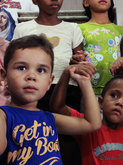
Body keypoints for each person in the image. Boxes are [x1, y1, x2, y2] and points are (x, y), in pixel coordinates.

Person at [0, 35, 101, 165]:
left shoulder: (50, 119)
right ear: (4, 76)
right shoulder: (4, 117)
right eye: (22, 68)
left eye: (41, 70)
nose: (31, 76)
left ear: (49, 82)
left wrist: (84, 81)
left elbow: (92, 123)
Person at [12, 1, 85, 163]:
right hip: (32, 92)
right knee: (32, 142)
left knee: (67, 144)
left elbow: (81, 61)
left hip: (67, 92)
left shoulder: (73, 28)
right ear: (35, 0)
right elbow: (15, 62)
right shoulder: (23, 29)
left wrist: (77, 62)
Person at [71, 0, 123, 104]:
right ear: (86, 2)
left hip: (116, 90)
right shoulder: (78, 29)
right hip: (89, 91)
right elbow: (78, 59)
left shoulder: (122, 31)